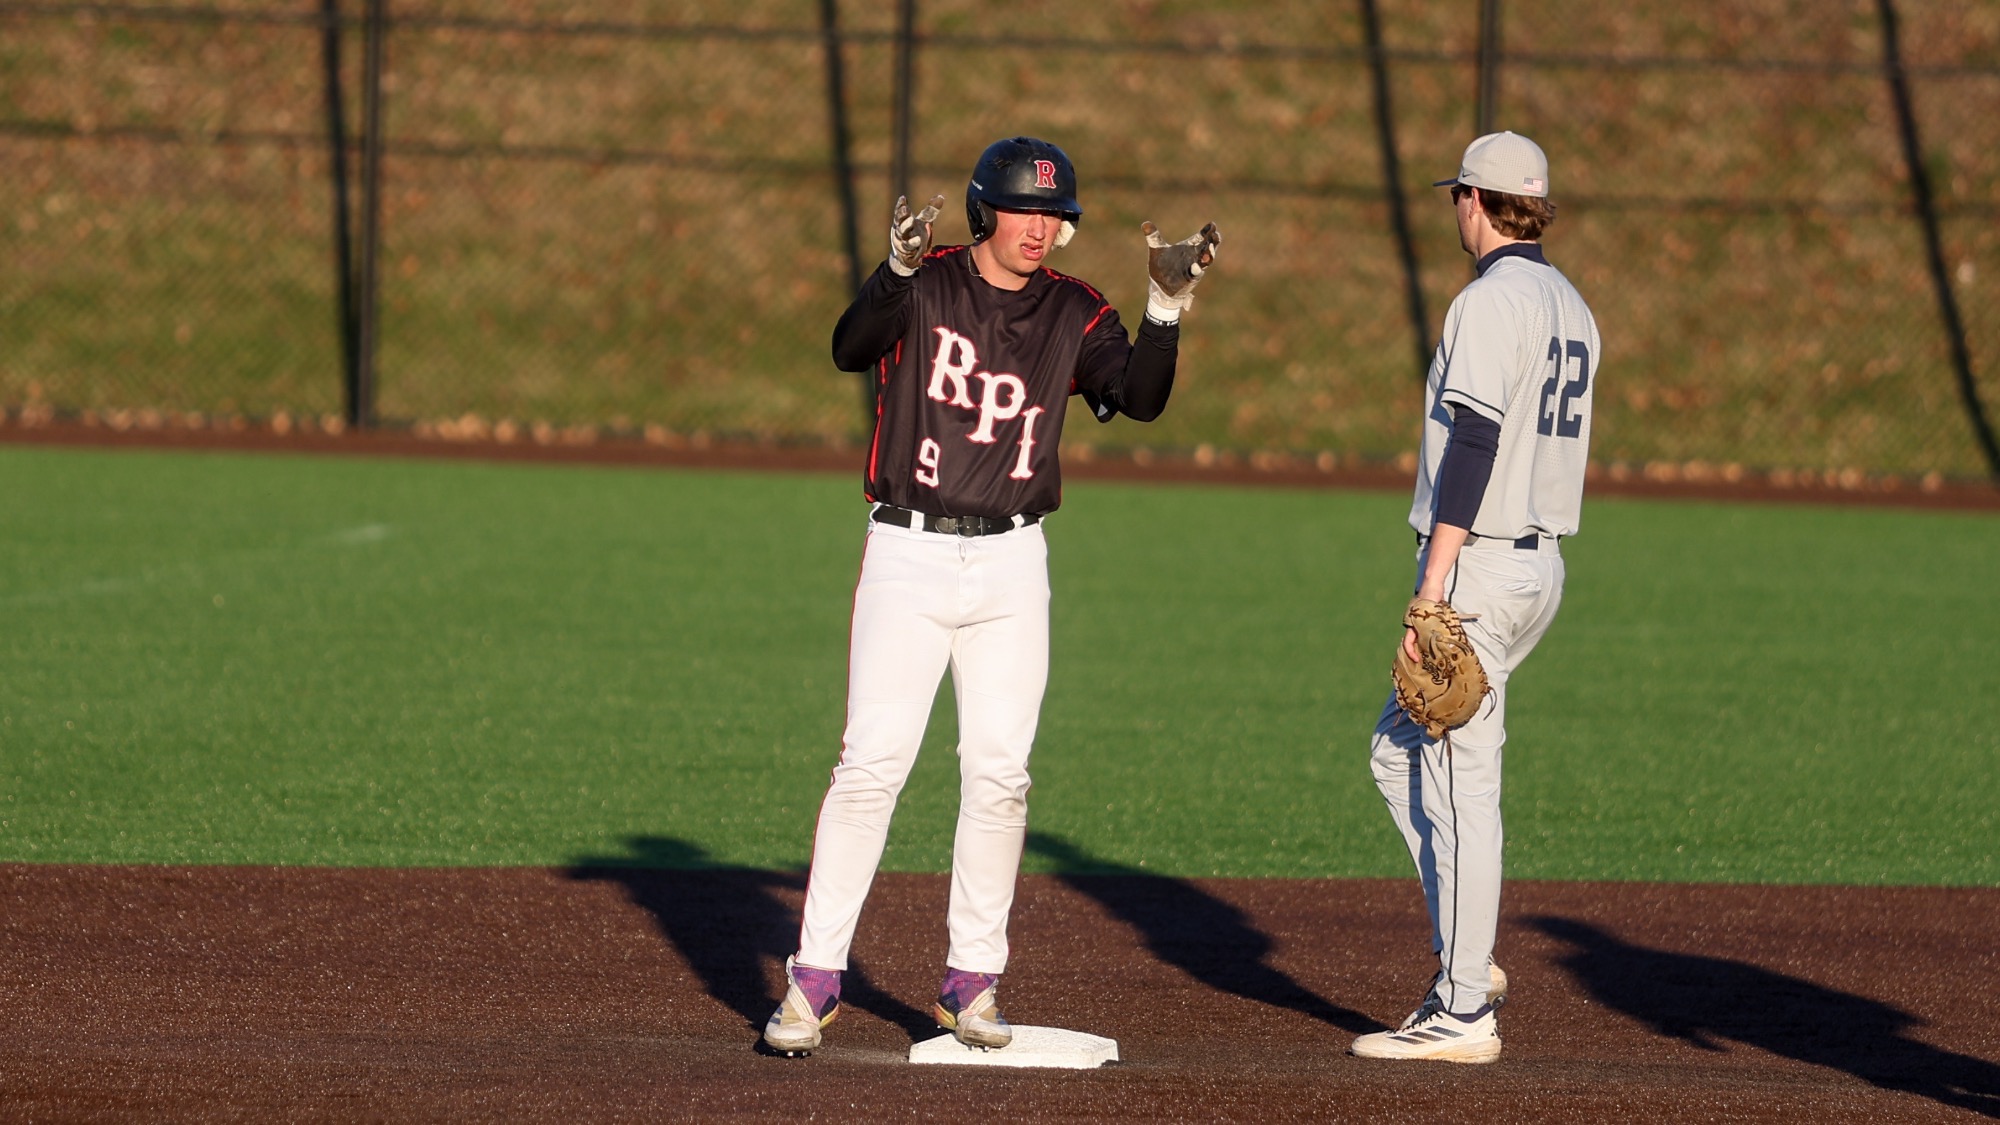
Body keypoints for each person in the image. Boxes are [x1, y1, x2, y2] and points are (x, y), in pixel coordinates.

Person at [762, 136, 1221, 1056]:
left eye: (1055, 214)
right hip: (909, 550)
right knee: (870, 765)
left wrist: (1166, 308)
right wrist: (893, 272)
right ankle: (813, 978)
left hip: (1013, 560)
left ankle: (971, 981)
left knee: (1001, 775)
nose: (1040, 228)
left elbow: (1139, 398)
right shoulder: (926, 282)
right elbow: (850, 347)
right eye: (1023, 209)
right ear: (984, 211)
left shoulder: (1076, 309)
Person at [1349, 131, 1600, 1064]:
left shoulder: (1490, 301)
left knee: (1463, 785)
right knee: (1396, 753)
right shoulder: (1570, 304)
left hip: (1482, 566)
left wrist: (1433, 582)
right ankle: (1467, 947)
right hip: (1538, 565)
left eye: (1458, 192)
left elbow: (1477, 440)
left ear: (1476, 201)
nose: (1454, 206)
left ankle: (1462, 1008)